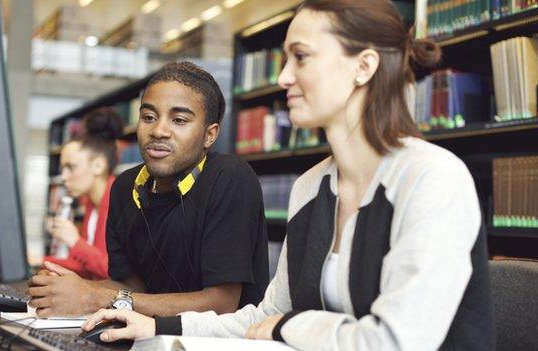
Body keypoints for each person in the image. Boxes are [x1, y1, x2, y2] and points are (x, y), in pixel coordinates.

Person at [82, 1, 495, 350]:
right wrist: (158, 327)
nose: (283, 77)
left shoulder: (432, 178)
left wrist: (290, 328)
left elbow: (396, 341)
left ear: (364, 66)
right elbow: (265, 314)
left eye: (301, 57)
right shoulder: (312, 188)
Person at [28, 61, 270, 319]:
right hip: (146, 337)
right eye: (148, 117)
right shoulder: (124, 187)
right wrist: (67, 288)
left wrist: (93, 297)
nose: (158, 131)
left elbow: (222, 304)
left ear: (209, 135)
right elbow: (131, 288)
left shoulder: (230, 177)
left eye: (178, 120)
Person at [43, 107, 122, 280]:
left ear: (98, 166)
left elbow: (114, 272)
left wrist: (75, 241)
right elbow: (87, 267)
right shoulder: (91, 203)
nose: (64, 177)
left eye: (70, 167)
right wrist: (42, 261)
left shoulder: (119, 202)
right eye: (63, 168)